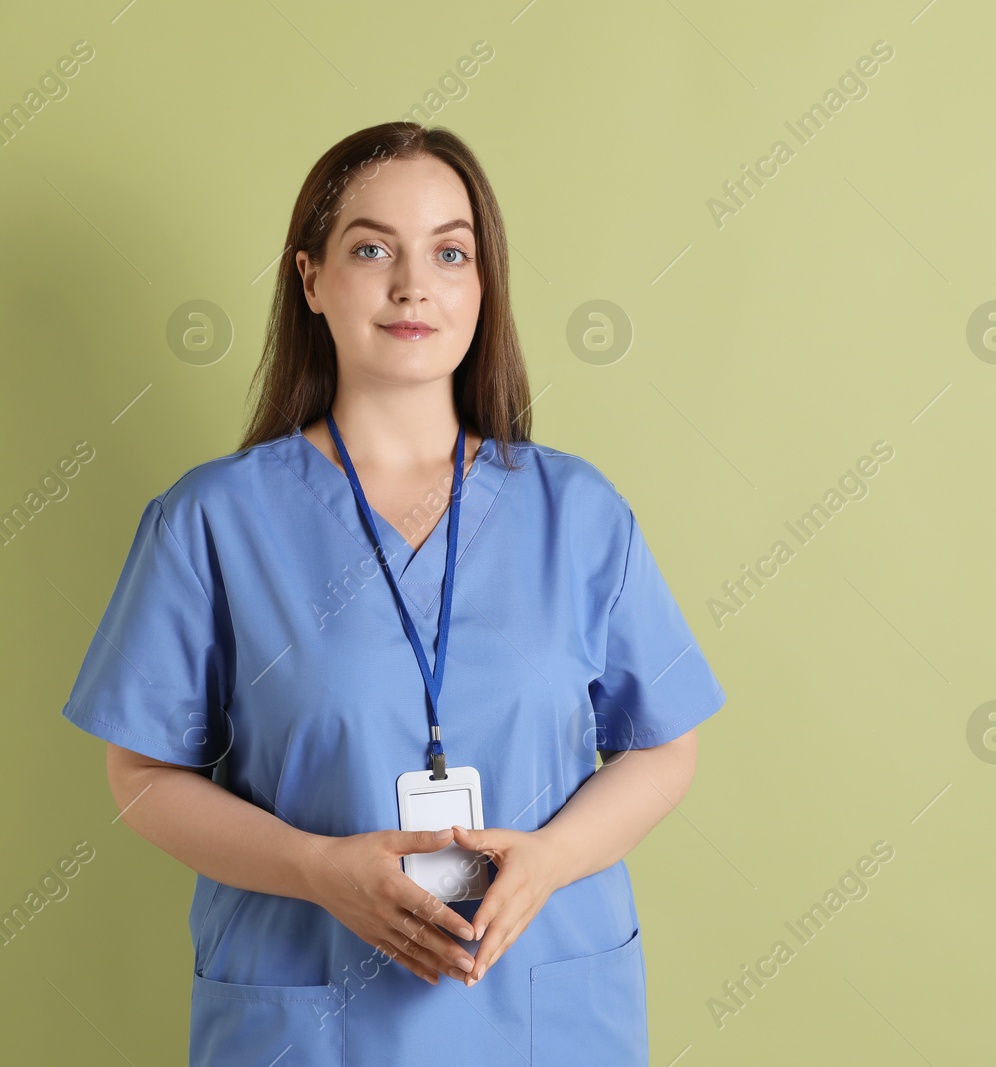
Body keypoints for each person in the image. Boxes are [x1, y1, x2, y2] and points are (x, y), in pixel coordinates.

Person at [58, 122, 726, 1065]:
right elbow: (142, 778)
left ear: (483, 285)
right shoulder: (212, 520)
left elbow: (664, 749)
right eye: (372, 248)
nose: (414, 284)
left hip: (542, 1005)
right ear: (311, 280)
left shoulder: (578, 512)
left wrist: (551, 862)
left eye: (450, 252)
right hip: (308, 1012)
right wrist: (318, 869)